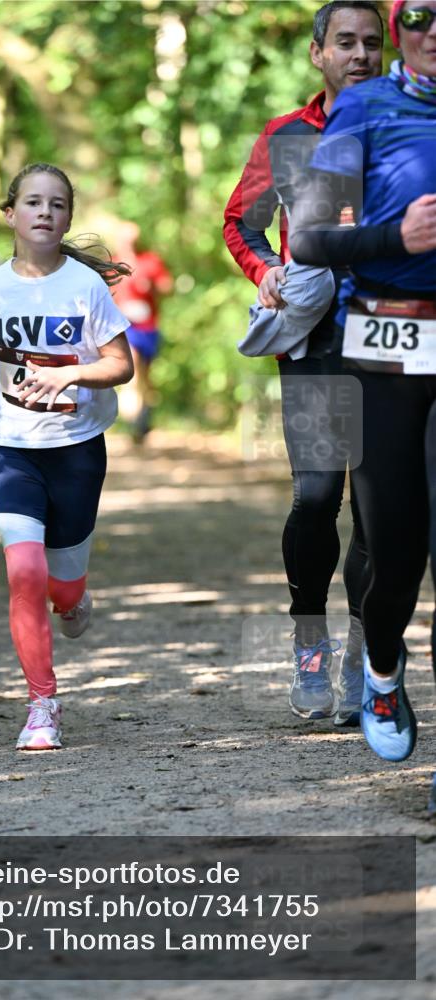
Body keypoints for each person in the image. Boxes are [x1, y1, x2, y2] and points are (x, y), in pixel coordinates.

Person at [223, 1, 384, 725]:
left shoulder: (409, 126)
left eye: (371, 44)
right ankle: (308, 640)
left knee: (379, 514)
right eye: (344, 42)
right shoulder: (287, 136)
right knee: (318, 496)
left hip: (391, 340)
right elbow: (239, 221)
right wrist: (261, 269)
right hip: (315, 340)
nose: (359, 54)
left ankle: (362, 651)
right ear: (316, 53)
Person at [289, 1, 436, 775]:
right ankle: (380, 671)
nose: (433, 28)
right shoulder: (364, 106)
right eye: (416, 14)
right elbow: (309, 238)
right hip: (383, 344)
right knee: (395, 552)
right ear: (399, 27)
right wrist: (394, 237)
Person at [0, 163, 133, 750]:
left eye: (57, 204)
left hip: (77, 450)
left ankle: (74, 596)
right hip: (15, 451)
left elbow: (120, 364)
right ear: (11, 214)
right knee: (24, 573)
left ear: (68, 217)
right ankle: (42, 706)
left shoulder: (85, 286)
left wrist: (72, 374)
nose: (45, 212)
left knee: (64, 587)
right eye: (32, 202)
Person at [113, 222, 173, 442]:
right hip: (124, 328)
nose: (130, 244)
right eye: (126, 240)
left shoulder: (150, 261)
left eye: (134, 240)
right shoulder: (112, 264)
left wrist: (152, 286)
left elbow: (168, 286)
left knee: (145, 377)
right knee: (133, 368)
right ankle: (134, 421)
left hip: (148, 327)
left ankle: (143, 418)